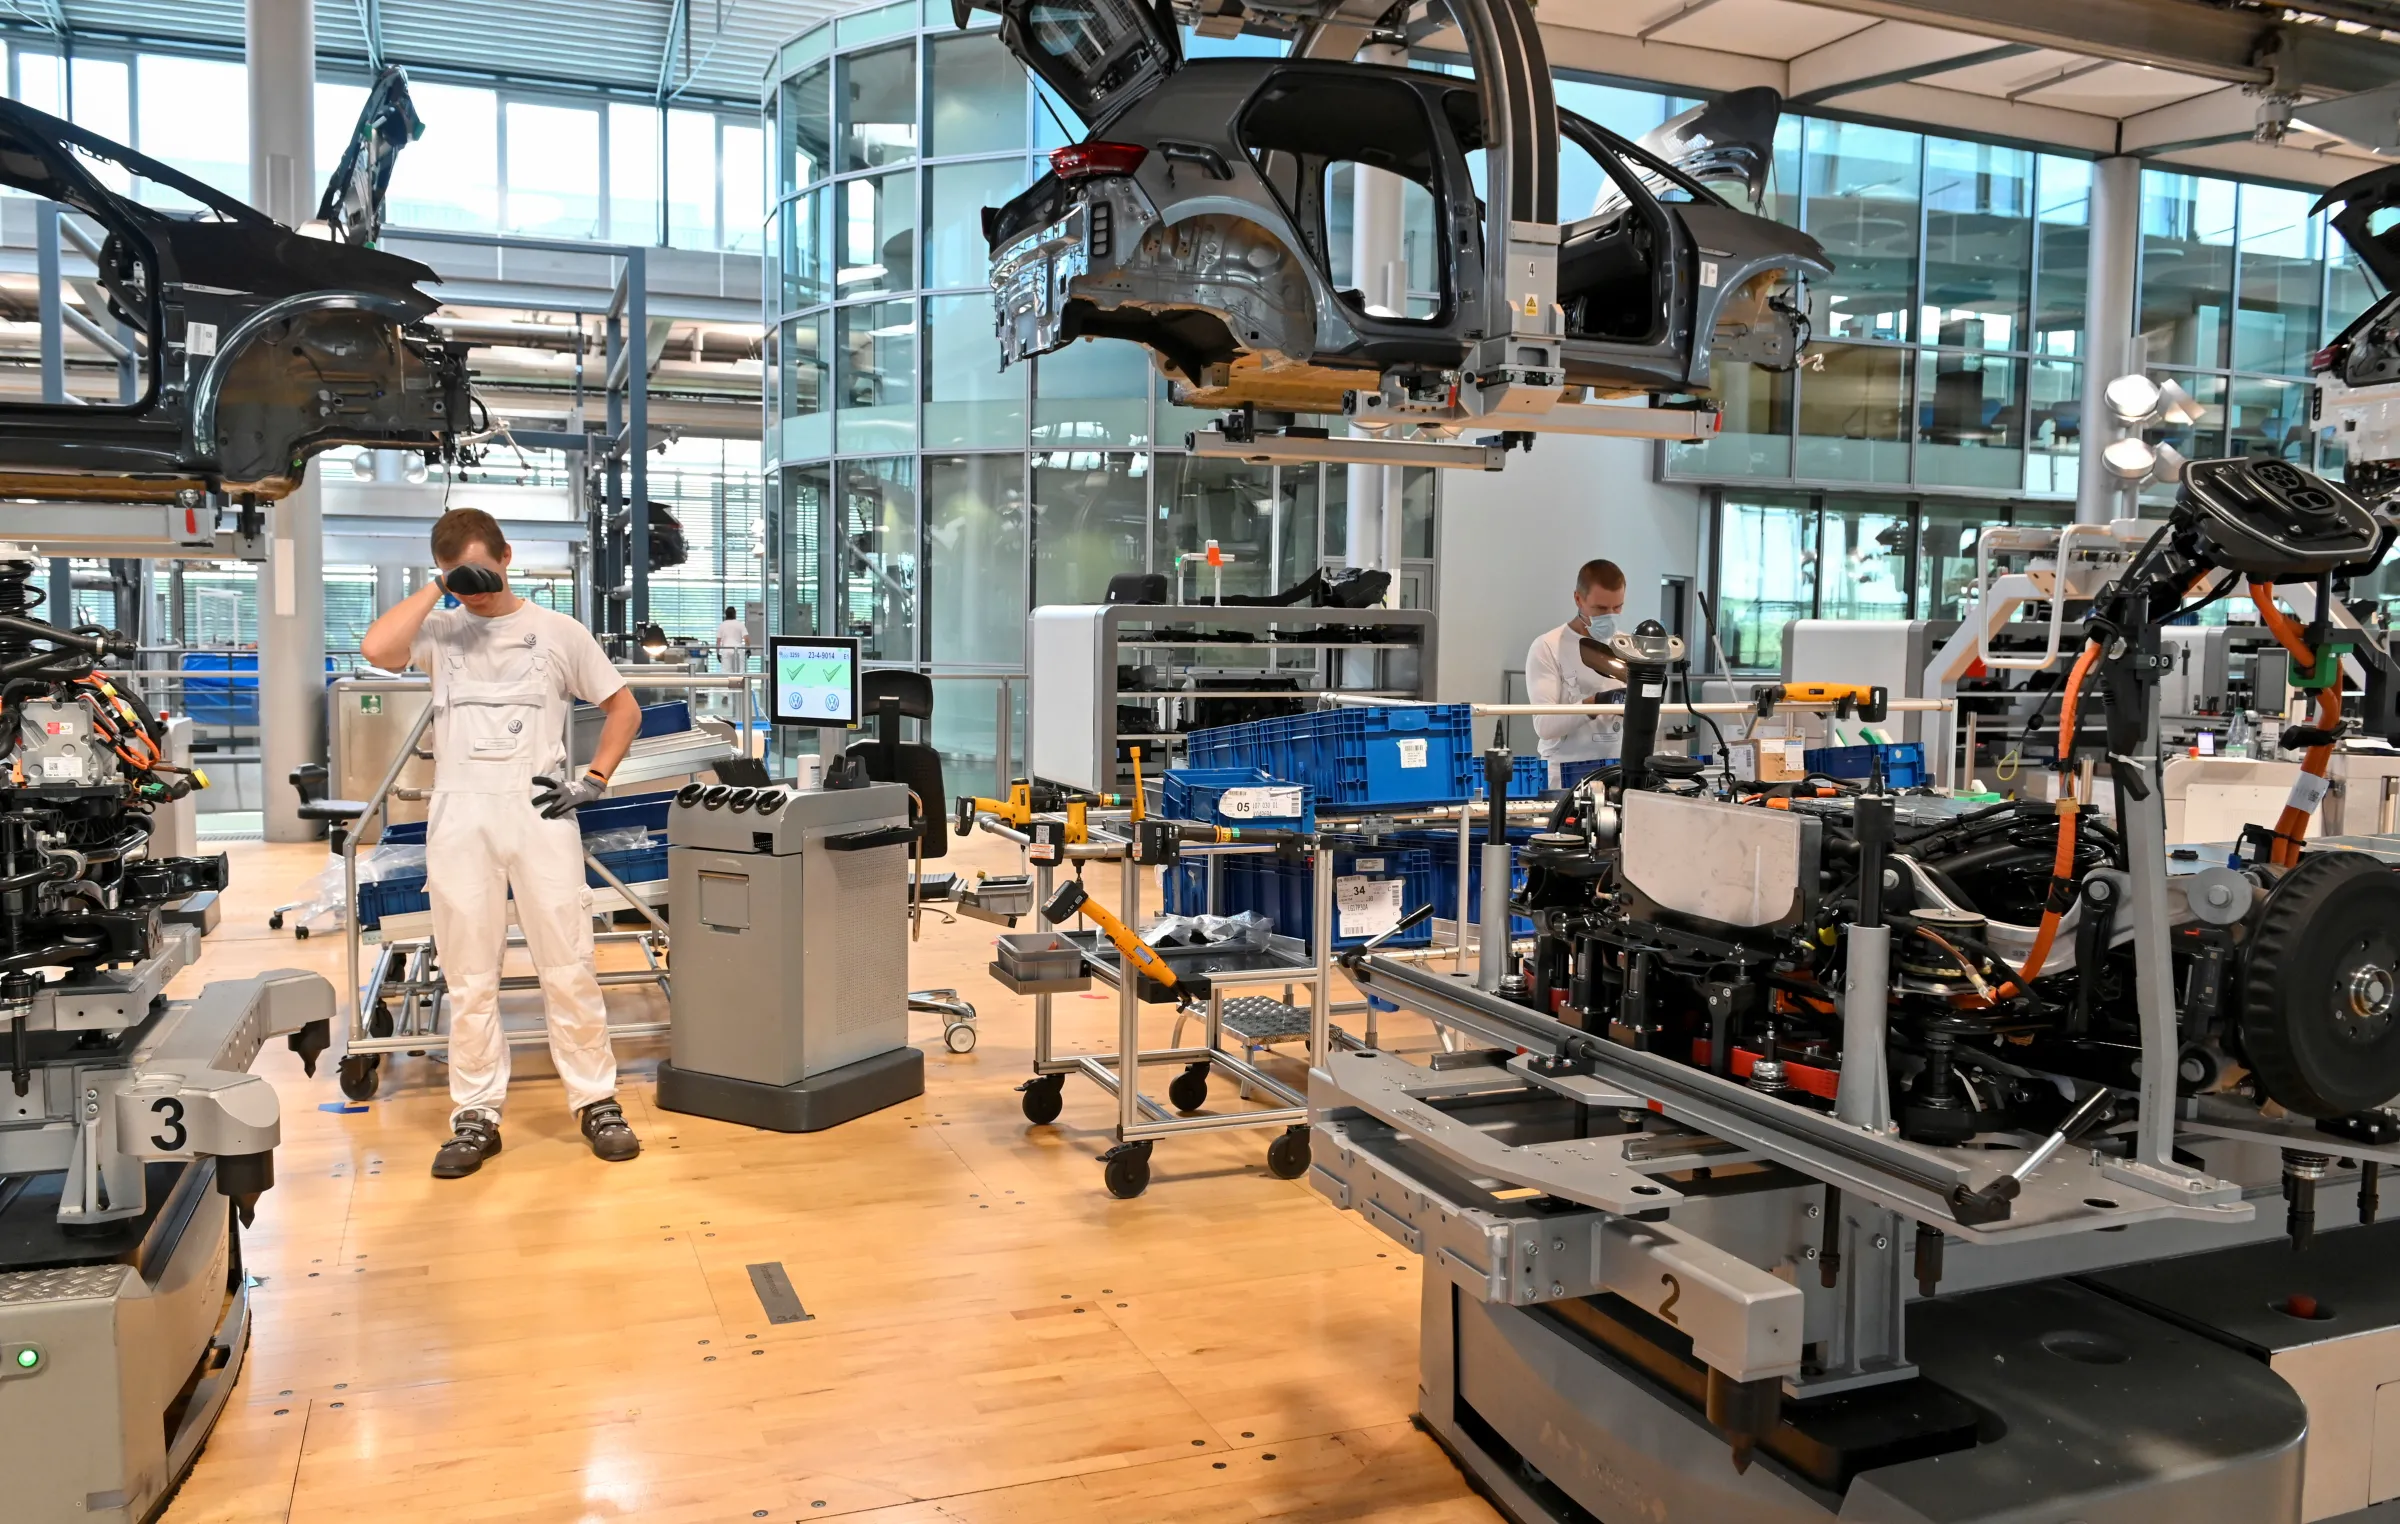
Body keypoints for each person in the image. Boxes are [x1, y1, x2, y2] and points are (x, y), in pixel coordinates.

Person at [360, 508, 645, 1178]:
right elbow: (378, 650)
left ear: (509, 556)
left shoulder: (557, 631)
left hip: (540, 811)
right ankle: (476, 1114)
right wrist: (443, 587)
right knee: (469, 974)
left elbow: (623, 710)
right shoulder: (438, 628)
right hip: (460, 816)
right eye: (464, 581)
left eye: (484, 574)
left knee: (568, 963)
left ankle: (595, 1099)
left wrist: (594, 779)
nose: (477, 592)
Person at [1525, 559, 1628, 790]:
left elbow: (1654, 721)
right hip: (1565, 776)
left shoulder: (1627, 647)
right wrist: (1594, 704)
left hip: (1617, 772)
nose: (1610, 616)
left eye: (1618, 607)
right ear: (1578, 599)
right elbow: (1545, 726)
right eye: (1601, 609)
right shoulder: (1548, 647)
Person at [715, 605, 749, 672]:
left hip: (726, 649)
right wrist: (748, 649)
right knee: (740, 671)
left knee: (726, 672)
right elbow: (746, 639)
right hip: (738, 649)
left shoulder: (722, 625)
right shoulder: (740, 624)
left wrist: (717, 653)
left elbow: (718, 641)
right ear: (735, 614)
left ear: (726, 614)